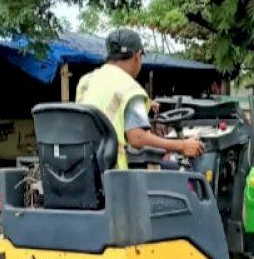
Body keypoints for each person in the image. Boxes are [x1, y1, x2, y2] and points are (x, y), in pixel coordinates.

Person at [75, 28, 203, 169]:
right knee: (173, 168)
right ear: (137, 56)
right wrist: (182, 145)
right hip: (112, 173)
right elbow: (138, 138)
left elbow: (103, 107)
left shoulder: (87, 81)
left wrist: (146, 103)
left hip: (83, 167)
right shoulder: (130, 88)